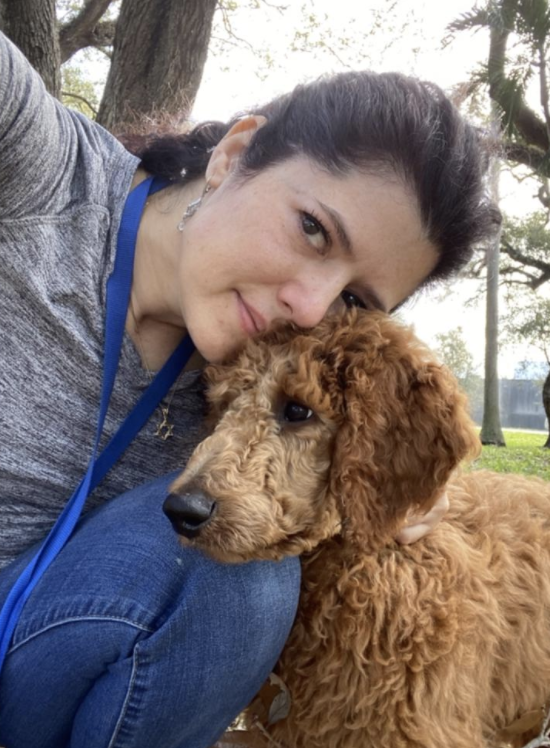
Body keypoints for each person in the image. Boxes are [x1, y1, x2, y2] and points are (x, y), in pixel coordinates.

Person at [0, 28, 496, 748]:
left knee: (238, 578)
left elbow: (385, 428)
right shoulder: (42, 172)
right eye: (313, 230)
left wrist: (405, 479)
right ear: (233, 156)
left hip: (34, 650)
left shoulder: (272, 371)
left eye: (354, 299)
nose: (309, 307)